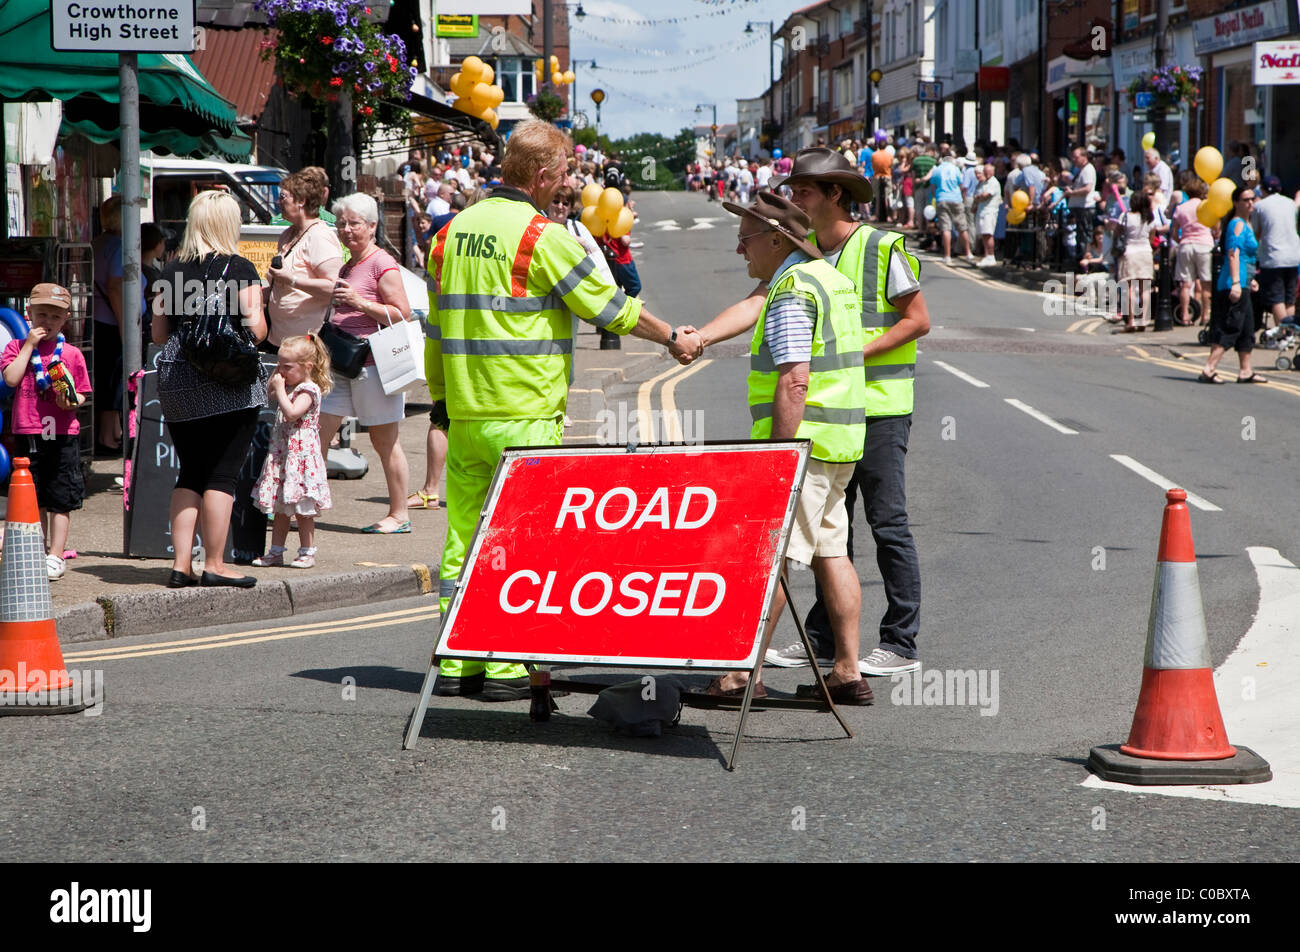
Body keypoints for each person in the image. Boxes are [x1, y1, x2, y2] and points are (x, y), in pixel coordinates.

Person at [425, 118, 695, 701]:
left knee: (462, 541)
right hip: (523, 414)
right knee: (518, 541)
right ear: (544, 174)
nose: (569, 183)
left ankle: (456, 661)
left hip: (466, 413)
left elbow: (435, 332)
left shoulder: (446, 236)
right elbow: (609, 308)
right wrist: (672, 334)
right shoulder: (541, 238)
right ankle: (502, 667)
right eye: (566, 172)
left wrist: (442, 403)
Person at [683, 147, 929, 678]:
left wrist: (841, 358)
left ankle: (900, 641)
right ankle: (831, 650)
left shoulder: (881, 246)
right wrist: (701, 336)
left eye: (802, 191)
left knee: (880, 525)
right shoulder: (805, 255)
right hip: (836, 415)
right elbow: (754, 304)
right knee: (828, 540)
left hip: (875, 407)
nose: (793, 197)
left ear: (834, 194)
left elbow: (917, 321)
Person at [698, 193, 870, 703]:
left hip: (805, 448)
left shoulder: (793, 290)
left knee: (768, 560)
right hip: (840, 444)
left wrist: (781, 455)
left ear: (777, 239)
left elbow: (795, 379)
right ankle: (846, 672)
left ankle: (737, 676)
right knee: (831, 553)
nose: (738, 249)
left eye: (745, 238)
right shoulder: (831, 279)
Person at [151, 190, 270, 589]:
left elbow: (158, 333)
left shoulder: (171, 270)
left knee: (191, 471)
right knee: (222, 475)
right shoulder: (240, 270)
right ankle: (216, 563)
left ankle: (181, 565)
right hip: (229, 382)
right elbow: (257, 330)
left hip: (177, 379)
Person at [318, 192, 413, 534]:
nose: (346, 229)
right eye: (342, 223)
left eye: (354, 223)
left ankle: (399, 514)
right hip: (341, 366)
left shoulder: (380, 262)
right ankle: (306, 504)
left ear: (372, 226)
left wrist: (359, 302)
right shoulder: (351, 263)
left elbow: (402, 314)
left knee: (384, 442)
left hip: (372, 366)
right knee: (318, 434)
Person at [1, 283, 91, 581]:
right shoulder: (16, 347)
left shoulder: (72, 354)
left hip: (63, 433)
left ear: (66, 318)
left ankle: (56, 554)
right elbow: (11, 379)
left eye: (54, 316)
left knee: (60, 496)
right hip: (28, 431)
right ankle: (36, 549)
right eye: (41, 314)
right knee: (33, 495)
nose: (47, 322)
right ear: (29, 314)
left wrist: (71, 401)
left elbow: (81, 394)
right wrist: (28, 345)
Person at [252, 334, 333, 569]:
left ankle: (307, 551)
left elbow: (292, 413)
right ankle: (275, 551)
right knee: (280, 508)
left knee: (303, 511)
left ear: (307, 367)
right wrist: (275, 382)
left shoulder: (309, 389)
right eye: (279, 364)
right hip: (283, 456)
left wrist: (280, 389)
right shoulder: (289, 385)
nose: (281, 371)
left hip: (301, 459)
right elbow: (268, 395)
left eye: (287, 366)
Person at [265, 167, 343, 348]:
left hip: (306, 345)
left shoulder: (319, 236)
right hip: (281, 340)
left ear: (301, 201)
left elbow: (334, 289)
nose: (278, 202)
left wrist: (292, 280)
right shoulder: (288, 235)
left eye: (283, 197)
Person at [1200, 186, 1265, 384]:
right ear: (1236, 203)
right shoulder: (1237, 224)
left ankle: (1245, 371)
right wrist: (1237, 282)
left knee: (1247, 328)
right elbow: (1233, 253)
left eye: (1252, 199)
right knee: (1231, 326)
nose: (1250, 203)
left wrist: (1250, 279)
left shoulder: (1246, 224)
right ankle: (1209, 368)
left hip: (1244, 280)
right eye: (1246, 200)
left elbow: (1247, 257)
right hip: (1233, 283)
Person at [1251, 175, 1300, 331]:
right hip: (1293, 256)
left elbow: (1256, 233)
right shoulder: (1291, 204)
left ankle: (1283, 334)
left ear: (1263, 190)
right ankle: (1291, 335)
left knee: (1276, 298)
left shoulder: (1260, 206)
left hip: (1273, 257)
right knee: (1290, 299)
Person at [1115, 190, 1162, 331]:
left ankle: (1131, 321)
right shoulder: (1150, 218)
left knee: (1129, 289)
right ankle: (1143, 320)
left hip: (1129, 253)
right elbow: (1152, 238)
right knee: (1145, 289)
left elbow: (1117, 233)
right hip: (1146, 253)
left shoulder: (1125, 216)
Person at [1172, 173, 1213, 327]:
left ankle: (1184, 315)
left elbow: (1175, 232)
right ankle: (1205, 316)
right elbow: (1215, 228)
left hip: (1186, 245)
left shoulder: (1181, 208)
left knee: (1186, 284)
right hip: (1204, 244)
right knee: (1205, 283)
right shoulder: (1206, 206)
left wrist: (1181, 241)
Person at [923, 153, 972, 264]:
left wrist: (936, 197)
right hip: (956, 199)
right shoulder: (956, 169)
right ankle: (968, 253)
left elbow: (933, 187)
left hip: (942, 198)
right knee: (962, 227)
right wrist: (962, 199)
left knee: (946, 228)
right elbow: (961, 185)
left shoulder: (937, 170)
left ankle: (947, 255)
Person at [1065, 147, 1097, 266]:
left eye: (1076, 157)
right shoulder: (1080, 169)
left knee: (1084, 236)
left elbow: (1087, 188)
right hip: (1078, 207)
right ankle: (1079, 260)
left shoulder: (1088, 169)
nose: (1073, 159)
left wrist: (1072, 193)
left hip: (1085, 207)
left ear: (1084, 157)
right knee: (1079, 235)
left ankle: (1084, 262)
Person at [974, 163, 1001, 266]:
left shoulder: (993, 182)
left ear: (992, 171)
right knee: (984, 235)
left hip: (990, 212)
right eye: (985, 171)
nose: (986, 173)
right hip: (982, 211)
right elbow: (976, 196)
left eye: (988, 171)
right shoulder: (984, 183)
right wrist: (978, 197)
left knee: (988, 234)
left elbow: (985, 196)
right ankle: (986, 256)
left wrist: (979, 197)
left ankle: (991, 256)